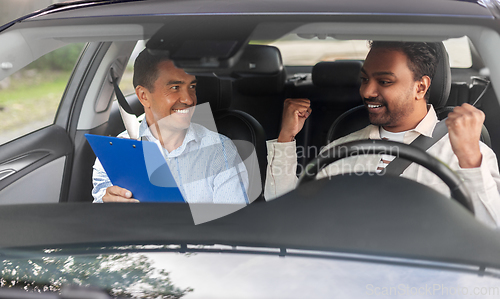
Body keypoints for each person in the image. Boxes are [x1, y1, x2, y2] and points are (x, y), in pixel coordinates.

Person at [264, 41, 500, 228]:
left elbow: (492, 232)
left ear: (421, 87)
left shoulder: (466, 154)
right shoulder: (339, 150)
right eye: (364, 79)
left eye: (384, 81)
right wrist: (286, 138)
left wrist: (469, 159)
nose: (366, 91)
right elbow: (286, 215)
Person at [92, 49, 249, 204]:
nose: (189, 99)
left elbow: (232, 225)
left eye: (192, 87)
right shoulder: (114, 154)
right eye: (175, 88)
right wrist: (107, 208)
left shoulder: (219, 151)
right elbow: (98, 220)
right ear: (143, 96)